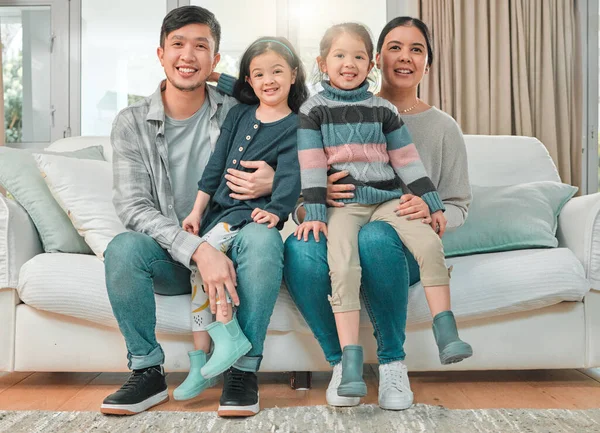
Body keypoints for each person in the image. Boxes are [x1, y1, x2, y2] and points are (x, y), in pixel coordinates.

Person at [101, 6, 283, 417]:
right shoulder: (131, 122)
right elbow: (133, 207)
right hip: (171, 255)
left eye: (201, 47)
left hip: (233, 246)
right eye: (178, 45)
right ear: (160, 53)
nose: (188, 55)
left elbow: (286, 100)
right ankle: (147, 371)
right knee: (123, 248)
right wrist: (198, 250)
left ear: (216, 61)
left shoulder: (239, 112)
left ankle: (242, 369)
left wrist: (277, 180)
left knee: (264, 237)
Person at [284, 16, 472, 410]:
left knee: (376, 238)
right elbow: (307, 171)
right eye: (396, 47)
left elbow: (449, 198)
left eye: (416, 49)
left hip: (394, 229)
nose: (405, 57)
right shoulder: (316, 111)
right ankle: (343, 363)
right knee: (303, 250)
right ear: (381, 59)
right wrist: (313, 205)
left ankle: (393, 362)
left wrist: (433, 208)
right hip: (345, 212)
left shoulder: (436, 126)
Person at [173, 36, 306, 402]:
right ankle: (200, 361)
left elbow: (293, 175)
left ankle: (230, 336)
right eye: (259, 74)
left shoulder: (299, 124)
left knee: (208, 258)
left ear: (294, 75)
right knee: (198, 268)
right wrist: (196, 211)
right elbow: (215, 167)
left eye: (277, 71)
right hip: (218, 215)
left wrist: (277, 211)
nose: (268, 80)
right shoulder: (240, 113)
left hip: (248, 215)